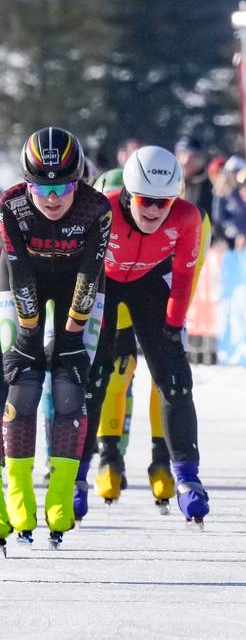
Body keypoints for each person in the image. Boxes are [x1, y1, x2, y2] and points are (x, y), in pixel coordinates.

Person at [78, 146, 209, 525]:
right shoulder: (101, 208)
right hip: (102, 283)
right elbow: (79, 269)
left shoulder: (187, 218)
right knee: (94, 379)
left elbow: (183, 277)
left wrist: (172, 326)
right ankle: (77, 473)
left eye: (164, 202)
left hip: (149, 283)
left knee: (175, 379)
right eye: (145, 201)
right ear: (129, 196)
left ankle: (186, 476)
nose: (153, 210)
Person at [0, 128, 111, 548]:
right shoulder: (9, 204)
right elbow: (18, 270)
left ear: (79, 180)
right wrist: (28, 335)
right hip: (19, 282)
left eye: (63, 186)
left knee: (69, 387)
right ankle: (15, 494)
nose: (51, 198)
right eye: (41, 187)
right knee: (20, 385)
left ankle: (61, 496)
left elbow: (90, 273)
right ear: (26, 184)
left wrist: (72, 334)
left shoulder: (96, 207)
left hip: (78, 284)